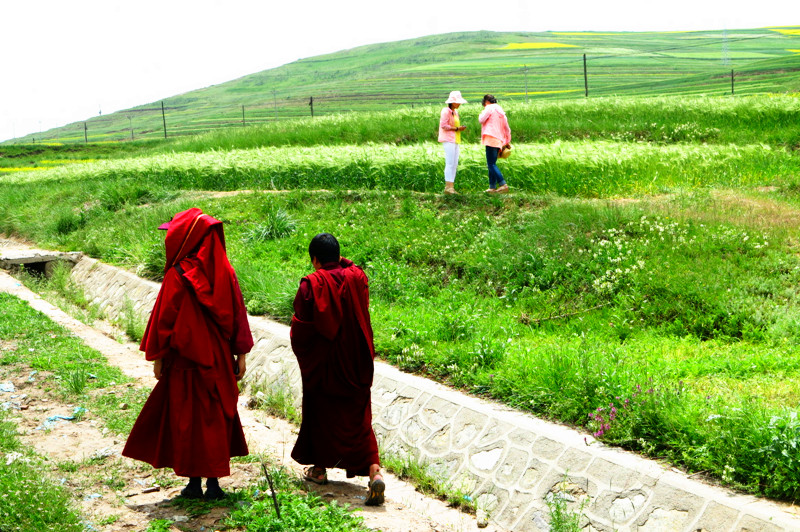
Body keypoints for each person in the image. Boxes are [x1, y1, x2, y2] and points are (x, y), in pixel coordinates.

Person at [122, 207, 253, 501]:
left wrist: (157, 357)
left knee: (188, 419)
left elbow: (164, 320)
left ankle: (194, 483)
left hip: (184, 361)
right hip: (218, 360)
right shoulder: (225, 272)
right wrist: (240, 354)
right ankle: (214, 483)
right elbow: (237, 316)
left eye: (172, 234)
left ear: (185, 239)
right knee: (216, 418)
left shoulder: (176, 275)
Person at [289, 233, 384, 506]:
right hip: (355, 361)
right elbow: (353, 270)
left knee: (321, 414)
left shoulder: (310, 285)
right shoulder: (357, 278)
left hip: (324, 363)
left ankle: (319, 469)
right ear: (338, 256)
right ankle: (374, 471)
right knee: (359, 418)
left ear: (315, 260)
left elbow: (301, 328)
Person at [478, 94, 512, 193]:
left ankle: (503, 184)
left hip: (490, 138)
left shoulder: (489, 108)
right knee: (492, 163)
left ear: (486, 102)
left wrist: (482, 112)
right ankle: (492, 187)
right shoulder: (501, 111)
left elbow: (481, 119)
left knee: (491, 164)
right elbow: (507, 128)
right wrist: (507, 141)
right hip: (499, 140)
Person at [438, 90, 468, 194]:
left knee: (455, 163)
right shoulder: (446, 111)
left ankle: (452, 187)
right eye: (458, 102)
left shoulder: (455, 112)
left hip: (456, 139)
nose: (459, 104)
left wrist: (458, 129)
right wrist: (456, 128)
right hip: (448, 139)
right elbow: (443, 125)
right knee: (450, 163)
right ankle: (448, 187)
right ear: (452, 102)